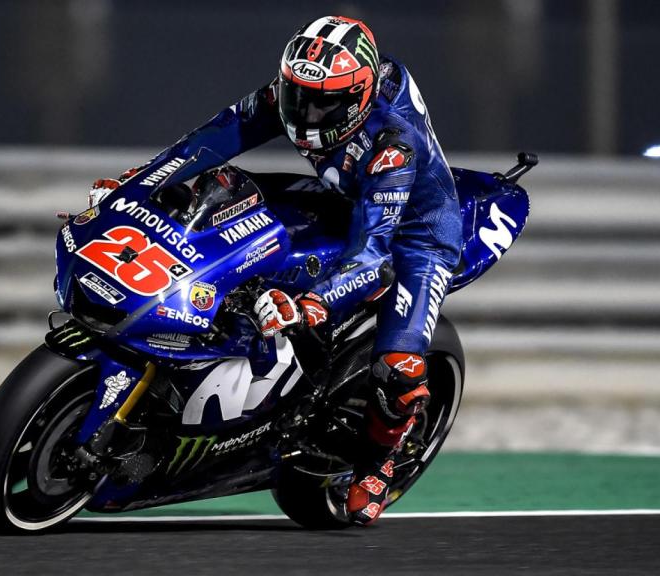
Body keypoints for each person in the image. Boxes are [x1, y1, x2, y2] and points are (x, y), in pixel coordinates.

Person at [88, 15, 462, 525]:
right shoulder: (305, 89)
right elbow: (216, 137)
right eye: (297, 94)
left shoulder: (390, 146)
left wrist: (313, 302)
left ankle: (379, 466)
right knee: (217, 192)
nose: (305, 112)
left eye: (323, 102)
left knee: (397, 368)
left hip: (414, 237)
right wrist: (138, 183)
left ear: (357, 98)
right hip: (344, 199)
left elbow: (373, 255)